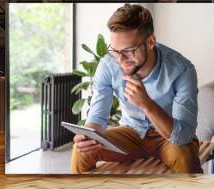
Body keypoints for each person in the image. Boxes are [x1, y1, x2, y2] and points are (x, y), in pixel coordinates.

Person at [70, 3, 203, 174]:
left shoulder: (182, 70)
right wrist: (87, 136)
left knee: (184, 157)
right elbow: (97, 118)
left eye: (129, 50)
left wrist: (146, 104)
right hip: (131, 133)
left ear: (150, 41)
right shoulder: (108, 65)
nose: (120, 59)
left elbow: (182, 136)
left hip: (168, 136)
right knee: (81, 151)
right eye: (115, 51)